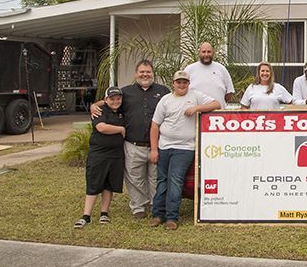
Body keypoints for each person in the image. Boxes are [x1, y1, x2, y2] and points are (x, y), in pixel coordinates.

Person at [91, 60, 170, 219]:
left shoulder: (163, 91)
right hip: (133, 144)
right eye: (141, 72)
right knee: (135, 178)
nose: (145, 75)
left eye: (148, 72)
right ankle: (138, 207)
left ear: (152, 73)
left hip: (157, 144)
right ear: (136, 74)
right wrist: (94, 105)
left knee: (155, 178)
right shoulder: (125, 92)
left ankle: (156, 206)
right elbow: (109, 101)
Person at [149, 70, 220, 229]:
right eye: (178, 82)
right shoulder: (165, 100)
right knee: (162, 180)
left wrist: (197, 108)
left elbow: (217, 104)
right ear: (173, 83)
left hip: (184, 148)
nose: (181, 85)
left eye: (185, 82)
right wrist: (154, 149)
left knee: (175, 180)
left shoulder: (195, 96)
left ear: (188, 83)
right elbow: (155, 125)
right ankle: (157, 214)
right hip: (164, 146)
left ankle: (171, 217)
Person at [75, 86, 126, 228]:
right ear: (105, 99)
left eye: (118, 98)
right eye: (112, 98)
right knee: (94, 183)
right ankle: (86, 215)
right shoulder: (100, 111)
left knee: (109, 184)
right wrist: (121, 129)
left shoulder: (122, 111)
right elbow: (101, 127)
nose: (116, 101)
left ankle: (104, 213)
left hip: (116, 154)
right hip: (99, 153)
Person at [184, 42, 235, 109]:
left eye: (209, 52)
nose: (206, 54)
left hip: (218, 115)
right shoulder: (189, 69)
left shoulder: (221, 69)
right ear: (199, 53)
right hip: (196, 115)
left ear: (213, 53)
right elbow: (183, 90)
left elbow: (229, 93)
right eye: (203, 52)